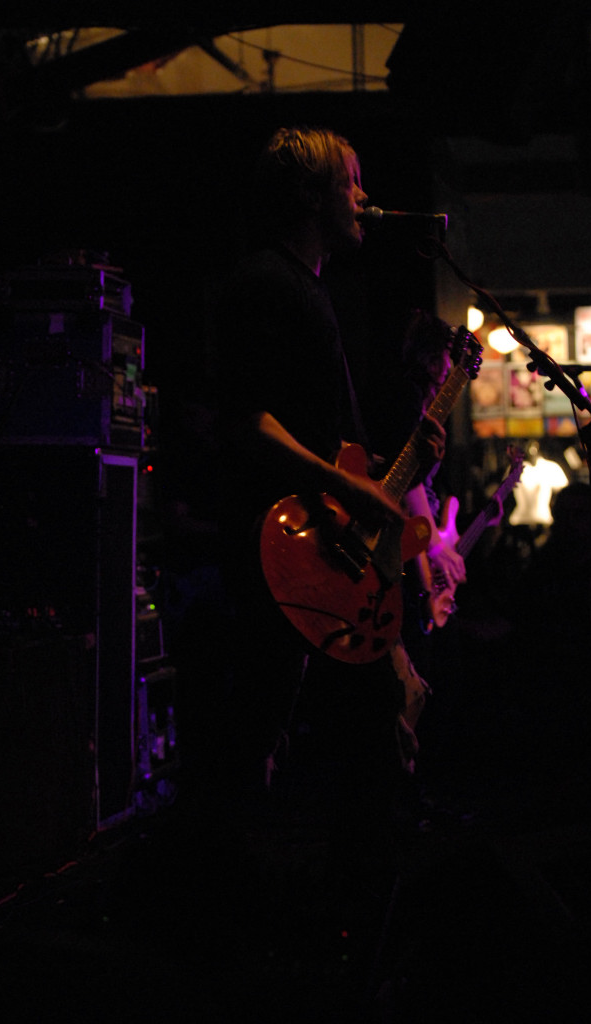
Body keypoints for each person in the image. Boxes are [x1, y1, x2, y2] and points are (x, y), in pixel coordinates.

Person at [214, 126, 447, 879]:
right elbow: (248, 421)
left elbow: (325, 440)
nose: (364, 198)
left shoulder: (311, 290)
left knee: (362, 737)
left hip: (324, 549)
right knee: (279, 739)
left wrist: (387, 468)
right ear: (312, 196)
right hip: (289, 552)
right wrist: (347, 486)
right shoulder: (264, 281)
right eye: (351, 182)